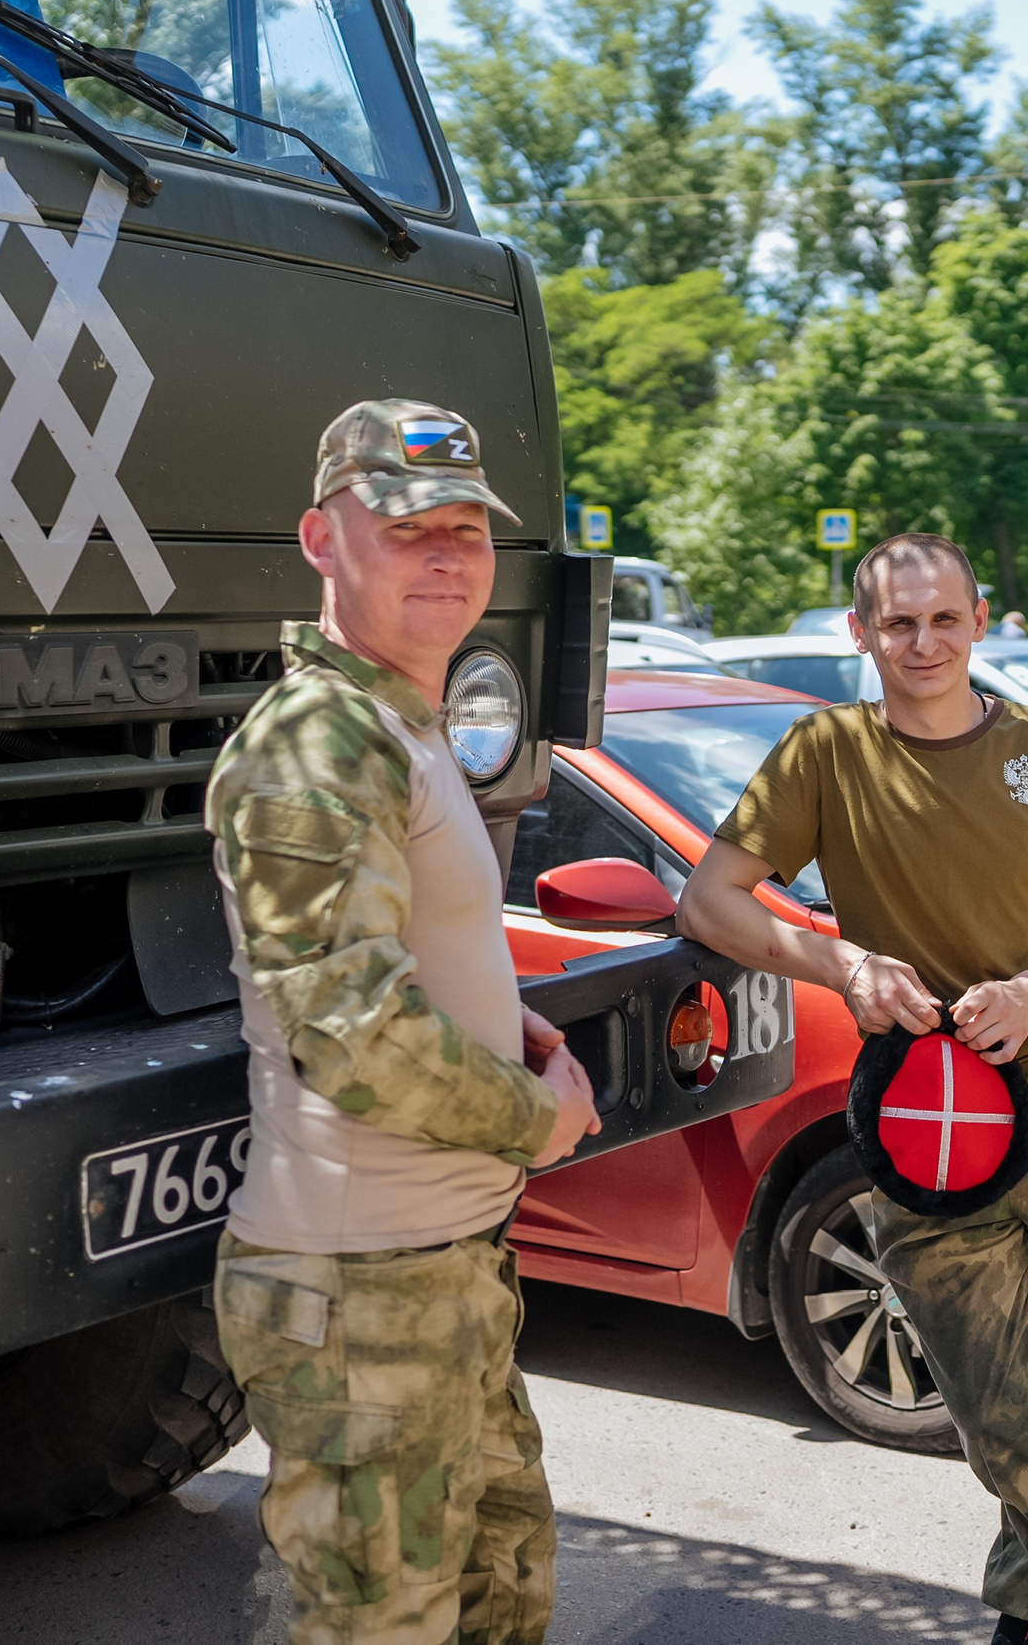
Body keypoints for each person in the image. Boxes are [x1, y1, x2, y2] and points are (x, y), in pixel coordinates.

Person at [679, 532, 1028, 1645]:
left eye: (943, 618)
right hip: (918, 1121)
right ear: (861, 633)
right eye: (898, 622)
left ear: (979, 621)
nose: (923, 641)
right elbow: (712, 902)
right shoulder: (823, 753)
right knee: (992, 1392)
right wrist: (839, 962)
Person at [205, 399, 602, 1645]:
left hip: (441, 1271)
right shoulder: (318, 744)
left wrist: (517, 1030)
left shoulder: (403, 723)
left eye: (465, 530)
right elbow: (349, 1026)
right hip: (357, 1293)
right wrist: (535, 1120)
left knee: (497, 1602)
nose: (445, 553)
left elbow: (418, 956)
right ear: (322, 541)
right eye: (405, 528)